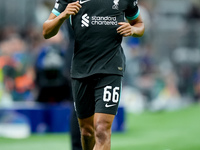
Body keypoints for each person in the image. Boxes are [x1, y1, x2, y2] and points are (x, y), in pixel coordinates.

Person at [43, 0, 144, 149]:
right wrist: (64, 15)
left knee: (102, 128)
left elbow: (139, 24)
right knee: (86, 131)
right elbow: (46, 31)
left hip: (111, 69)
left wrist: (133, 30)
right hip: (81, 70)